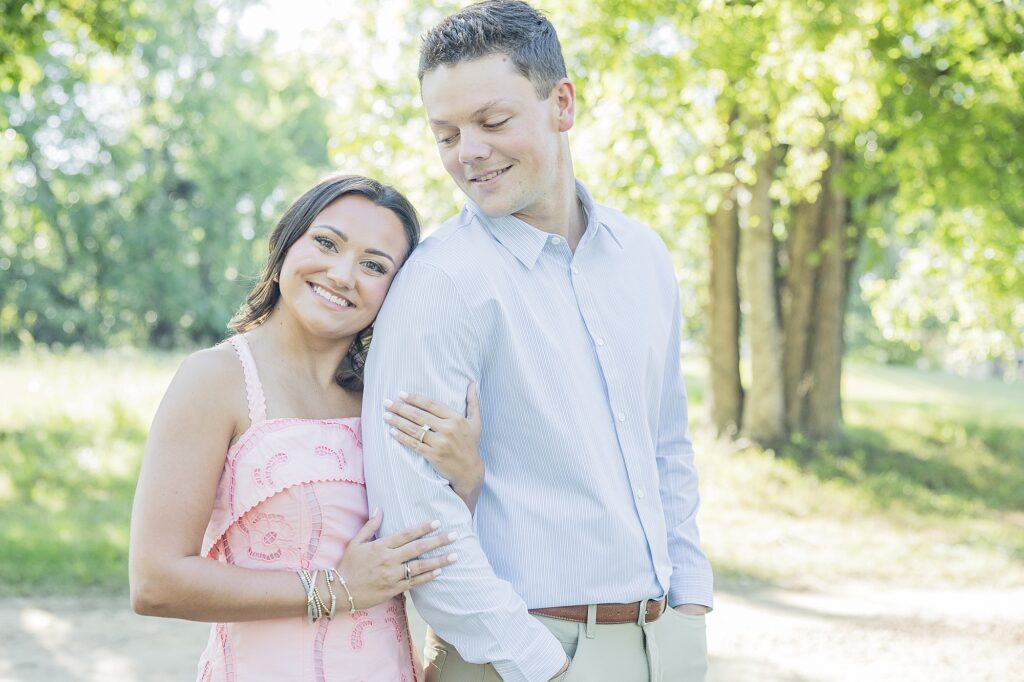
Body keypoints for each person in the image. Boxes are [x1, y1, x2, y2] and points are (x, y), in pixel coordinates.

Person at [362, 2, 714, 681]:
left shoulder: (643, 255)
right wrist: (540, 665)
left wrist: (690, 606)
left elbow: (667, 444)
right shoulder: (440, 282)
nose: (468, 152)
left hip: (663, 644)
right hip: (520, 656)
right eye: (446, 134)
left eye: (492, 122)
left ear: (562, 104)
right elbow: (416, 512)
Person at [129, 174, 484, 681]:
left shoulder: (385, 397)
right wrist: (336, 588)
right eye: (326, 243)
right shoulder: (216, 379)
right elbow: (156, 582)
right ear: (284, 248)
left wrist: (467, 477)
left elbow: (424, 553)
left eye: (373, 265)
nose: (342, 274)